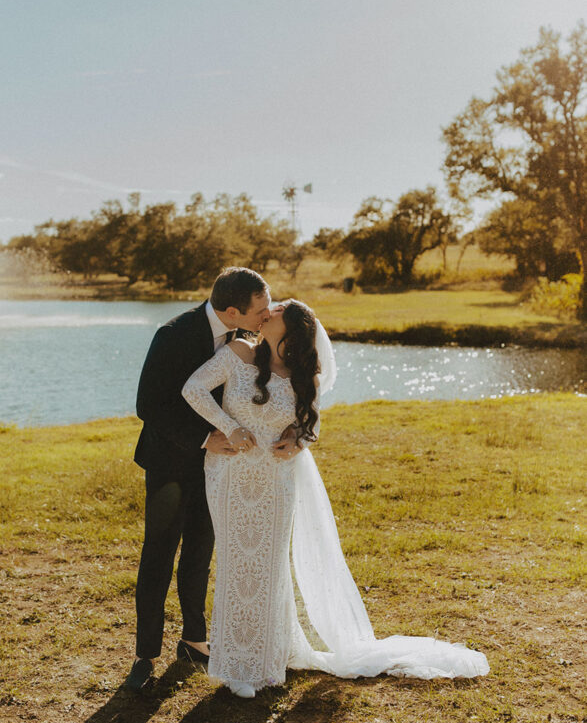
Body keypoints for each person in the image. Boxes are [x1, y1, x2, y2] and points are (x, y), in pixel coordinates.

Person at [181, 299, 490, 698]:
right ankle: (237, 663)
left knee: (270, 566)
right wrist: (226, 427)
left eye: (274, 310)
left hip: (276, 481)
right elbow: (193, 389)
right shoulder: (238, 353)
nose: (266, 311)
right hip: (229, 476)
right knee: (238, 561)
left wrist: (296, 439)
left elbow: (311, 426)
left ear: (289, 332)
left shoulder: (303, 375)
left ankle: (265, 660)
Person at [124, 267, 272, 691]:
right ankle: (145, 654)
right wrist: (206, 437)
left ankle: (193, 639)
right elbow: (148, 404)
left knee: (199, 553)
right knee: (159, 554)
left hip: (218, 468)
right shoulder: (172, 335)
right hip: (170, 465)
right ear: (232, 310)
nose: (266, 315)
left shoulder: (246, 339)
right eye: (260, 309)